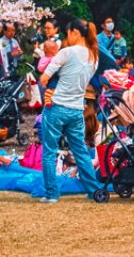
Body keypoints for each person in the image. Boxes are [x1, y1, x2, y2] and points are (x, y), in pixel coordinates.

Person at [38, 14, 105, 203]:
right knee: (81, 151)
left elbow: (44, 78)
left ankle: (51, 194)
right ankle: (93, 190)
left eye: (69, 33)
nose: (68, 37)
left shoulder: (66, 52)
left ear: (76, 32)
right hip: (77, 109)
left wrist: (51, 87)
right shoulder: (94, 57)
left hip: (57, 107)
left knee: (49, 151)